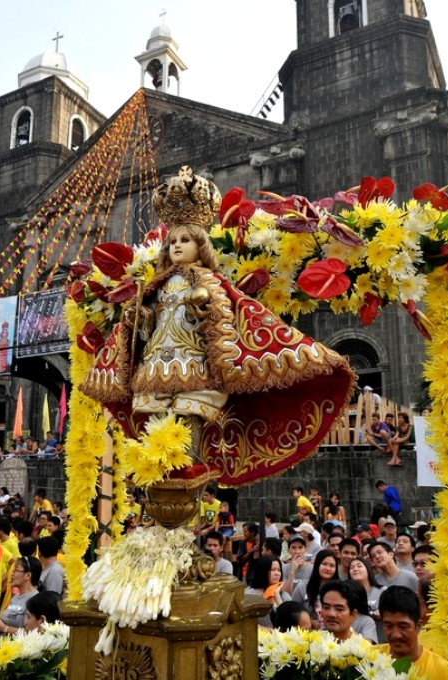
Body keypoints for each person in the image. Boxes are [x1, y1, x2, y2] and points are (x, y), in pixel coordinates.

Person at [80, 168, 355, 488]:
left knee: (191, 412)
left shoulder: (210, 282)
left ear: (201, 245)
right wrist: (139, 321)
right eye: (172, 242)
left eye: (185, 240)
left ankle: (191, 461)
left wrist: (203, 309)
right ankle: (162, 464)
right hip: (157, 361)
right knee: (157, 414)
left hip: (195, 361)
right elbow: (143, 327)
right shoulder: (156, 286)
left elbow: (239, 313)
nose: (177, 247)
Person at [378, 586, 448, 676]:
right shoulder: (369, 658)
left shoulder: (443, 671)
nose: (396, 635)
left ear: (418, 626)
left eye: (403, 626)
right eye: (388, 626)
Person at [0, 556, 41, 636]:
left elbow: (32, 633)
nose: (11, 574)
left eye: (16, 570)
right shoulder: (15, 597)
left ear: (28, 575)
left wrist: (4, 628)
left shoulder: (35, 599)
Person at [291, 549, 338, 625]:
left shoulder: (340, 589)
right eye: (324, 564)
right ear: (317, 565)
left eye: (332, 566)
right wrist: (311, 623)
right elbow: (292, 612)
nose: (328, 568)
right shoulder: (303, 587)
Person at [245, 555, 291, 627]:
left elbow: (290, 622)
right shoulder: (250, 595)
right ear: (263, 571)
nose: (277, 573)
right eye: (273, 570)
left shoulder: (284, 596)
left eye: (279, 570)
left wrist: (278, 598)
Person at [349, 556, 385, 641]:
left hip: (381, 636)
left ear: (368, 569)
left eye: (359, 566)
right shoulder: (346, 594)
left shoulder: (383, 591)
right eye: (352, 567)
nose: (355, 569)